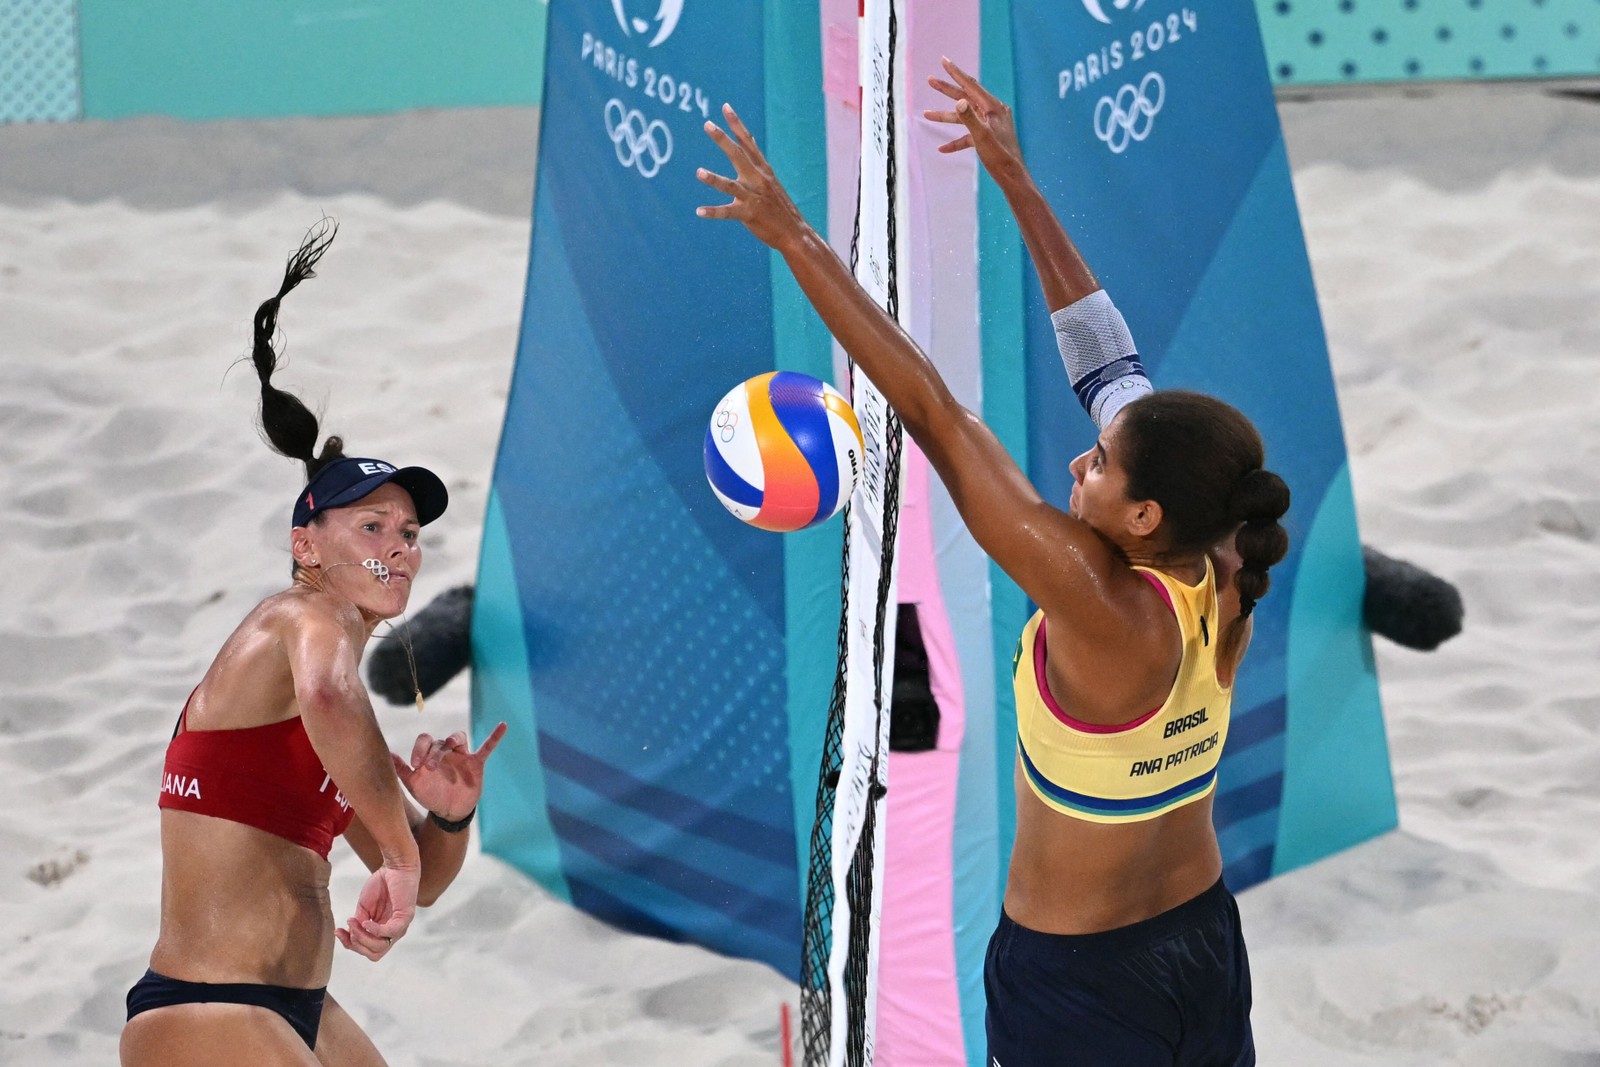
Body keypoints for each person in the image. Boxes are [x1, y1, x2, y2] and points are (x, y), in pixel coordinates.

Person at [697, 58, 1287, 1066]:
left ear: (1143, 513)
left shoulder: (1094, 596)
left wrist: (792, 235)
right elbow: (1108, 361)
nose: (1077, 459)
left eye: (1097, 464)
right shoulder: (1225, 547)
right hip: (1202, 944)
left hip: (1082, 982)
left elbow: (927, 406)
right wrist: (1014, 179)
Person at [120, 223, 508, 1067]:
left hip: (291, 1006)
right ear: (307, 546)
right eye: (371, 525)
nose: (399, 545)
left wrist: (446, 815)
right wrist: (401, 859)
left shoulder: (334, 700)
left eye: (408, 531)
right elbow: (336, 711)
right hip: (204, 1006)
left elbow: (427, 885)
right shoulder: (302, 618)